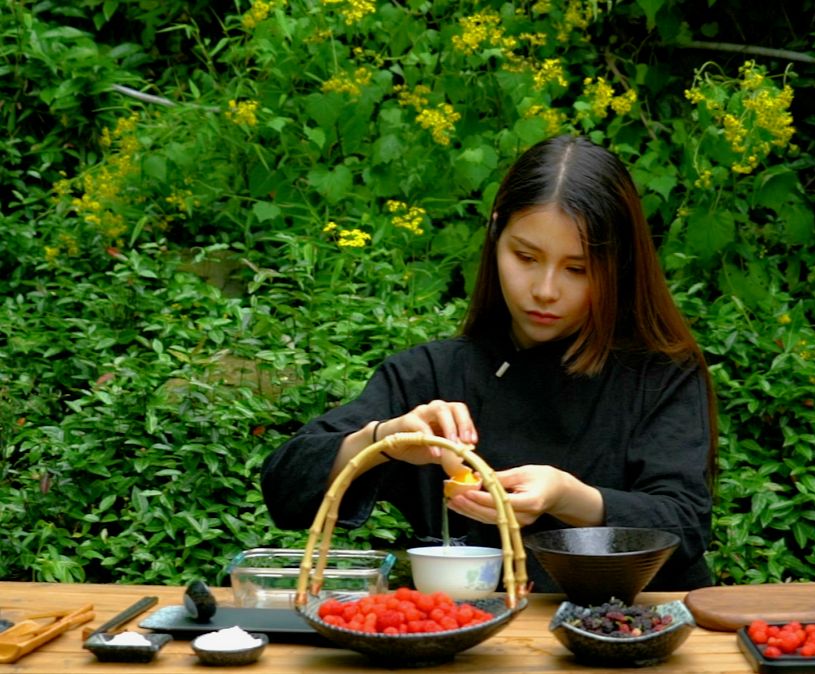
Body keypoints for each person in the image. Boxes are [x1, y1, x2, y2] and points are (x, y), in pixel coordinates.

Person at [261, 135, 718, 592]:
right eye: (526, 257)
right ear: (496, 233)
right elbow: (285, 488)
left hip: (632, 633)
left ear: (619, 265)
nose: (545, 289)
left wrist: (568, 496)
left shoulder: (659, 374)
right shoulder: (435, 376)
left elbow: (685, 524)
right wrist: (383, 440)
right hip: (472, 640)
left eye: (577, 269)